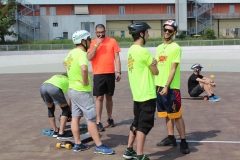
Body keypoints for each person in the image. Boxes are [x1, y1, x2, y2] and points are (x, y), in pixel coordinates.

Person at [63, 30, 115, 154]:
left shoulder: (71, 53)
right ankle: (99, 145)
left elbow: (64, 64)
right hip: (81, 91)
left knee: (75, 117)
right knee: (91, 118)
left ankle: (78, 143)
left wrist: (73, 76)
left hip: (72, 89)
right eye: (88, 40)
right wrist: (85, 81)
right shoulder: (81, 54)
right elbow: (84, 69)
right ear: (82, 41)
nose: (89, 42)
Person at [122, 22, 159, 160]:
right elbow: (156, 71)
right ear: (142, 34)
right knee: (145, 125)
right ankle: (139, 155)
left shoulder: (131, 50)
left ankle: (129, 149)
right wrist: (154, 63)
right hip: (147, 93)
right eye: (147, 33)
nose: (148, 35)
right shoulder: (144, 51)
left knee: (136, 122)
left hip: (137, 94)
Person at [154, 20, 190, 154]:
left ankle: (184, 141)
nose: (167, 32)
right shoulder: (159, 47)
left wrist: (167, 85)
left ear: (174, 32)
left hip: (171, 87)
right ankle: (170, 137)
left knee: (177, 115)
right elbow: (157, 66)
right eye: (165, 30)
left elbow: (173, 69)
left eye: (170, 30)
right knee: (166, 114)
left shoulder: (176, 48)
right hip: (159, 86)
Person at [87, 24, 121, 132]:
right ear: (95, 32)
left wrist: (118, 71)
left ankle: (109, 118)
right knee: (99, 98)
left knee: (109, 97)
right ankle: (98, 121)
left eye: (102, 32)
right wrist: (96, 45)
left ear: (105, 31)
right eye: (98, 32)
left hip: (110, 73)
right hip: (98, 74)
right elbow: (89, 57)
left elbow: (117, 57)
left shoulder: (112, 41)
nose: (101, 34)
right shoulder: (92, 43)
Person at [40, 73, 72, 138]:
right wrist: (69, 112)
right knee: (66, 109)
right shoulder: (70, 80)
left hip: (43, 87)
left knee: (50, 108)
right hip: (54, 88)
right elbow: (71, 98)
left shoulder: (56, 76)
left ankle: (55, 130)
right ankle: (61, 133)